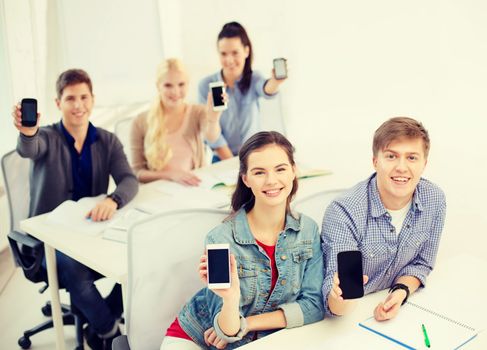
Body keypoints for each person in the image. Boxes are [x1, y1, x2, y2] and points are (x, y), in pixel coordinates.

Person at [161, 131, 324, 349]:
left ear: (294, 171)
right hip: (197, 336)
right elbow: (226, 333)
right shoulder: (221, 239)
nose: (271, 180)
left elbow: (313, 306)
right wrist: (231, 299)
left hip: (254, 338)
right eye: (259, 172)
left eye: (280, 169)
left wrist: (248, 324)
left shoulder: (308, 231)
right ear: (245, 179)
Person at [12, 69, 139, 350]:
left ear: (93, 99)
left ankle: (101, 317)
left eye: (84, 97)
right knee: (75, 270)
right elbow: (29, 149)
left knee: (138, 256)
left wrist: (112, 200)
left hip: (92, 232)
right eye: (70, 98)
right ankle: (108, 332)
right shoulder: (47, 137)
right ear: (58, 103)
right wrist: (27, 133)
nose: (78, 105)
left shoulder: (107, 140)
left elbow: (129, 180)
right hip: (48, 242)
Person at [321, 117, 446, 322]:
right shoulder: (344, 211)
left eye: (412, 158)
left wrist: (400, 293)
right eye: (391, 156)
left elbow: (421, 264)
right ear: (375, 161)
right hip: (349, 316)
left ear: (424, 164)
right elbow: (334, 303)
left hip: (397, 314)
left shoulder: (435, 199)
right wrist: (340, 296)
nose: (401, 168)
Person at [199, 22, 288, 160]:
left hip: (254, 155)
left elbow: (266, 89)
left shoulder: (254, 78)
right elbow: (211, 136)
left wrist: (276, 81)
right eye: (223, 54)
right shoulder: (206, 86)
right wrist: (234, 163)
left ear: (246, 51)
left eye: (235, 53)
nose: (229, 60)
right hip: (223, 158)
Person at [131, 58, 224, 185]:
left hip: (193, 187)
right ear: (158, 86)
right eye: (168, 85)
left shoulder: (197, 112)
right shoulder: (140, 121)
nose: (175, 92)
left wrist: (214, 117)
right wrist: (171, 175)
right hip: (159, 192)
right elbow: (137, 172)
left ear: (188, 84)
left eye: (181, 84)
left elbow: (212, 137)